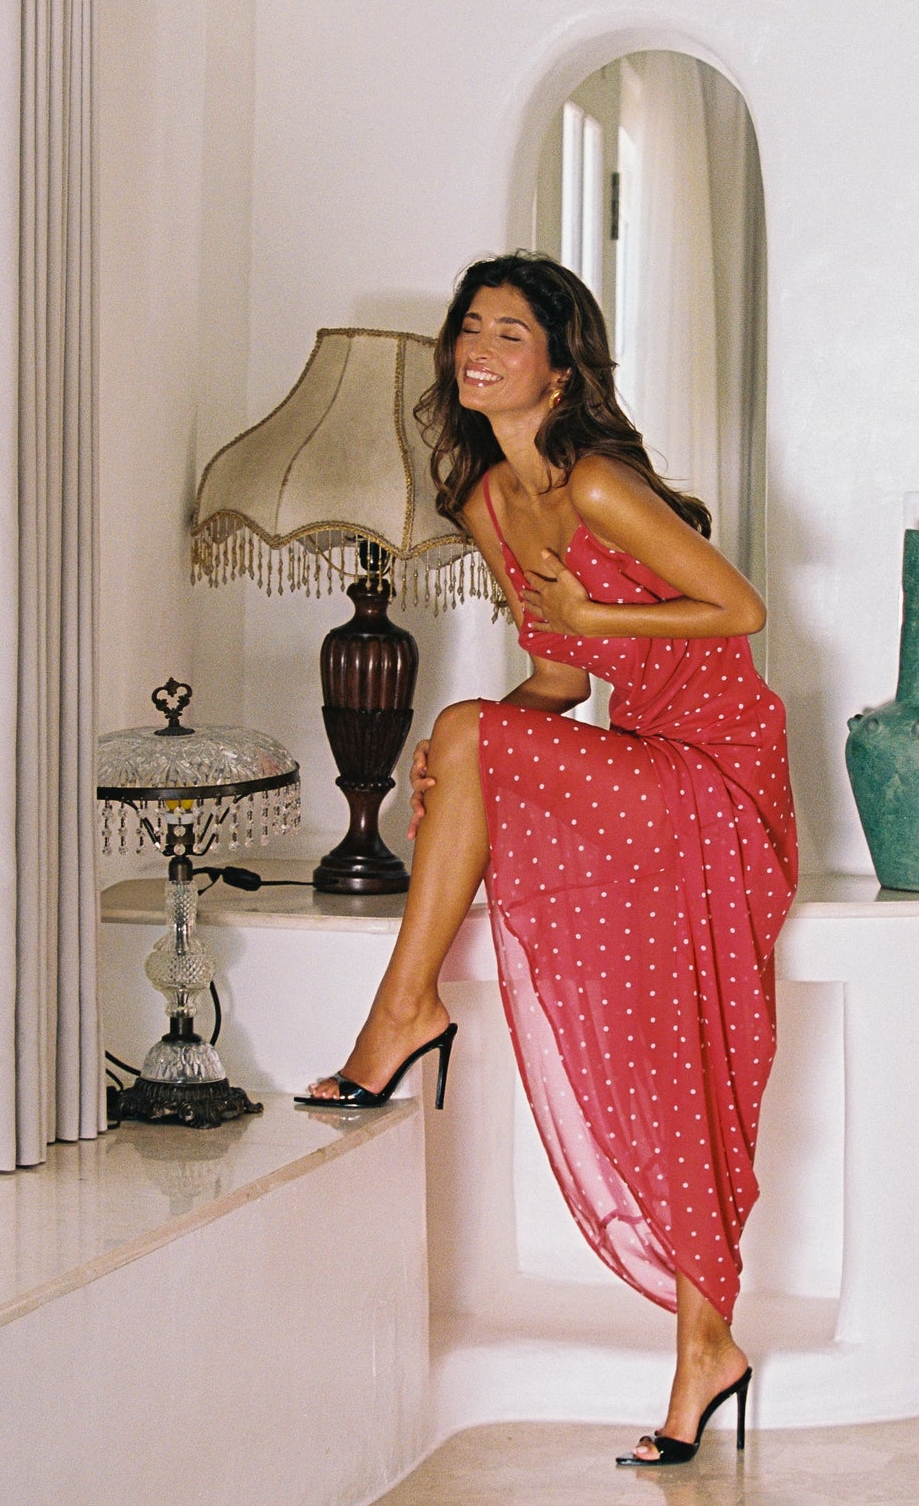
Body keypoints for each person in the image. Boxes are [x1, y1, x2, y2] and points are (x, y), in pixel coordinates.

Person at [305, 252, 798, 1467]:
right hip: (643, 767)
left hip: (726, 780)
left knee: (477, 739)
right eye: (468, 328)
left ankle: (402, 1017)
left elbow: (742, 614)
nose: (477, 347)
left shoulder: (598, 484)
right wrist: (477, 752)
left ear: (562, 363)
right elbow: (564, 684)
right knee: (655, 1040)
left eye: (509, 332)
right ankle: (707, 1347)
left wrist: (577, 639)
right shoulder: (485, 499)